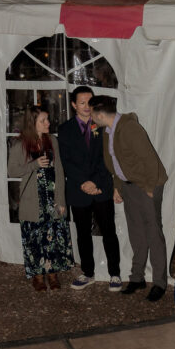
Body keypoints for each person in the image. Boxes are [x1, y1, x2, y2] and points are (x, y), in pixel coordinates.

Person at [90, 96, 168, 302]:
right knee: (136, 233)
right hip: (129, 186)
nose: (90, 118)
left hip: (146, 186)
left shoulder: (130, 128)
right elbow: (115, 162)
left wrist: (150, 188)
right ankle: (137, 278)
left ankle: (159, 282)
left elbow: (149, 158)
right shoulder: (108, 131)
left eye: (91, 114)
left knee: (153, 233)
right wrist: (118, 187)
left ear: (99, 114)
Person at [58, 87, 121, 291]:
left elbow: (108, 157)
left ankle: (115, 273)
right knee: (82, 233)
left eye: (90, 102)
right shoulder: (65, 129)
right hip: (78, 189)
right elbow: (65, 161)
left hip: (102, 186)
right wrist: (83, 182)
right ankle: (88, 272)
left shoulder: (101, 124)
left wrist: (95, 182)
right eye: (82, 102)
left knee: (108, 230)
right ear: (74, 105)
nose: (87, 106)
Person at [8, 106, 73, 292]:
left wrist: (60, 199)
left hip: (52, 197)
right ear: (32, 123)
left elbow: (59, 170)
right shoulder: (20, 144)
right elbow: (12, 170)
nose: (48, 123)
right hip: (32, 200)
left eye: (47, 119)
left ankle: (53, 274)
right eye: (43, 120)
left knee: (53, 237)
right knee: (34, 239)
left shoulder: (52, 140)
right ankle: (37, 276)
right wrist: (33, 165)